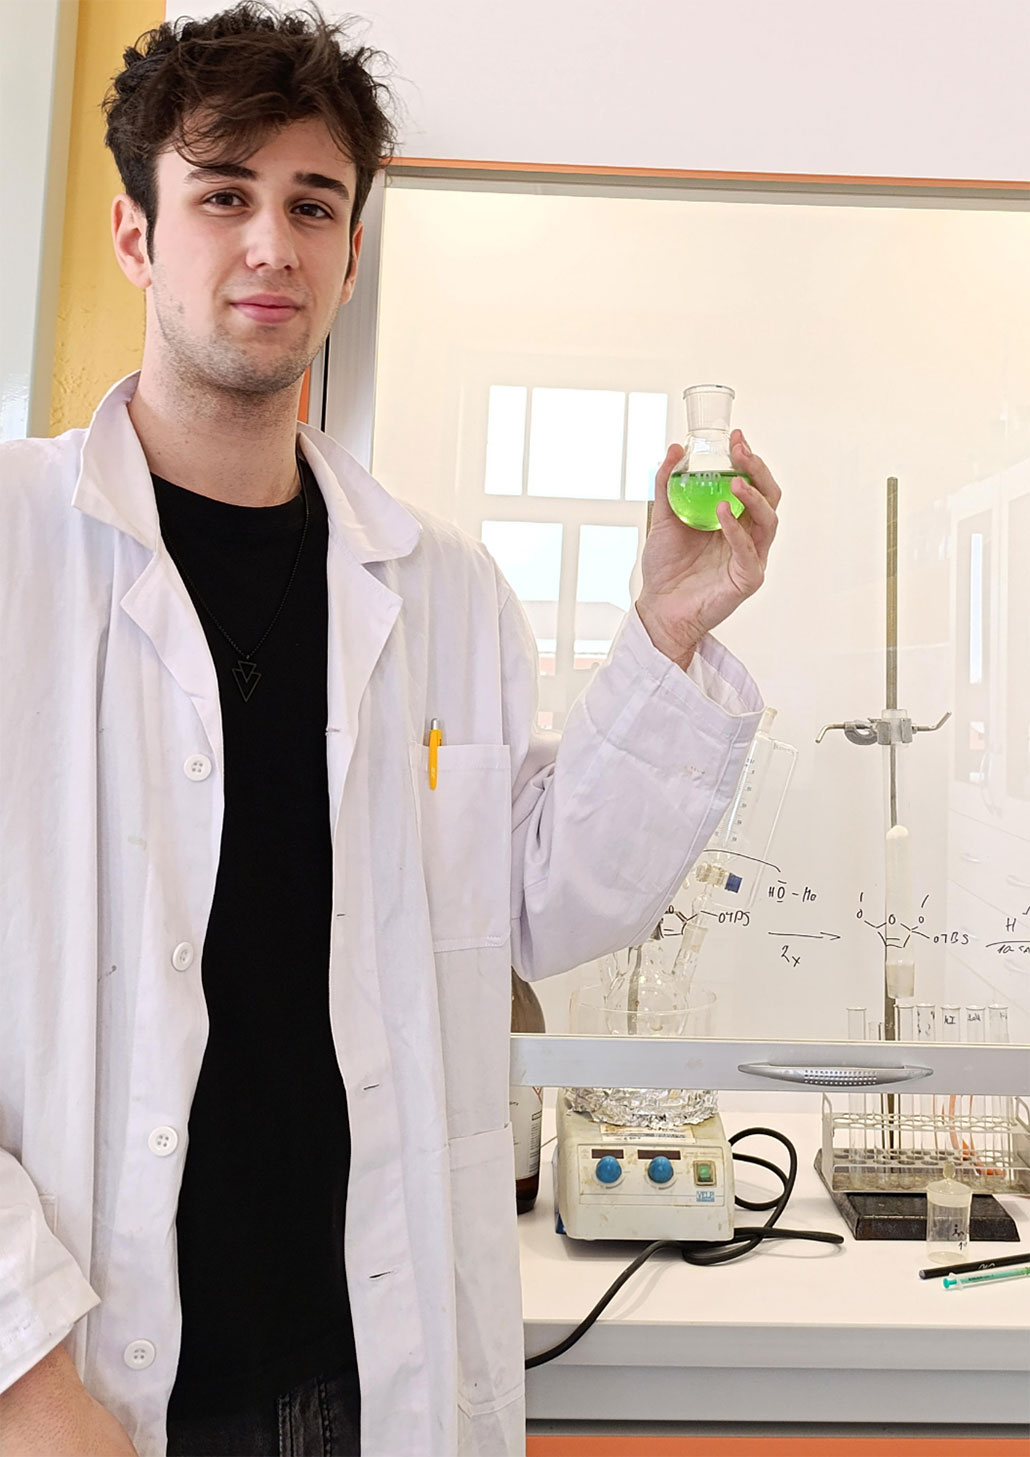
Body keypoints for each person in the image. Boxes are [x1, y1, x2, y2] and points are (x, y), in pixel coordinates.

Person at [0, 6, 779, 1456]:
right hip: (90, 1385)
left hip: (372, 1371)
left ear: (352, 253)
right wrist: (24, 1367)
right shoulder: (14, 553)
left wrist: (665, 634)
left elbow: (544, 903)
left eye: (314, 206)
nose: (270, 246)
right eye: (222, 195)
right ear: (134, 234)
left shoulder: (443, 591)